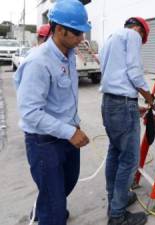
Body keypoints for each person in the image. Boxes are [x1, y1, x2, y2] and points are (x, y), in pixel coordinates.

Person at [14, 0, 91, 224]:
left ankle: (46, 206)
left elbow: (64, 98)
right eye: (77, 33)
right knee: (55, 207)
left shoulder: (68, 54)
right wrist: (68, 131)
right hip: (44, 143)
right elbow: (30, 113)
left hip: (66, 136)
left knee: (67, 183)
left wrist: (73, 125)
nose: (81, 38)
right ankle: (49, 213)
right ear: (59, 30)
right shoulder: (38, 62)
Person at [99, 17, 155, 225]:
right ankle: (117, 215)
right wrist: (150, 98)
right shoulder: (132, 35)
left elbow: (116, 74)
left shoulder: (110, 39)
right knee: (129, 160)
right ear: (140, 31)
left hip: (109, 103)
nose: (140, 41)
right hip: (122, 105)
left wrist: (133, 105)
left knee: (115, 154)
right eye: (143, 38)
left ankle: (115, 200)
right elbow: (134, 72)